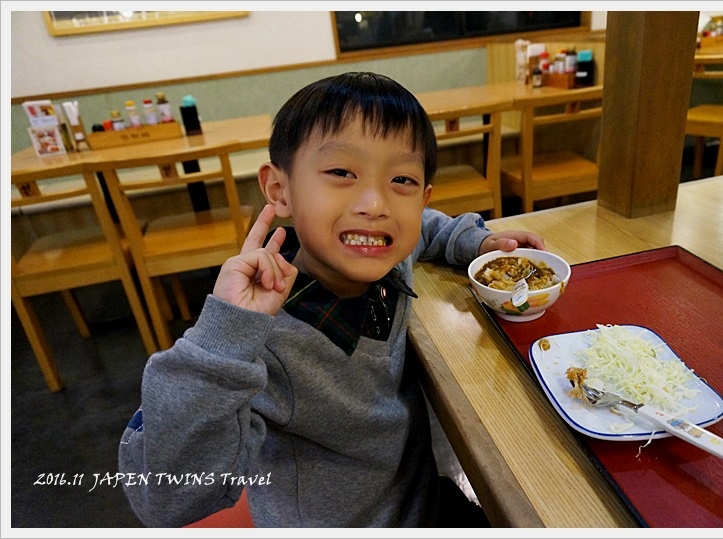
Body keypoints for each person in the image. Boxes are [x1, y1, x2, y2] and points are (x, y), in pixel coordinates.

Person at [118, 71, 545, 528]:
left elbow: (425, 228)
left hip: (416, 502)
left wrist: (476, 243)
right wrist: (222, 340)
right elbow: (164, 500)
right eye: (342, 172)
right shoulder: (265, 342)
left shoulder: (384, 253)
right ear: (279, 190)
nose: (374, 203)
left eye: (400, 179)